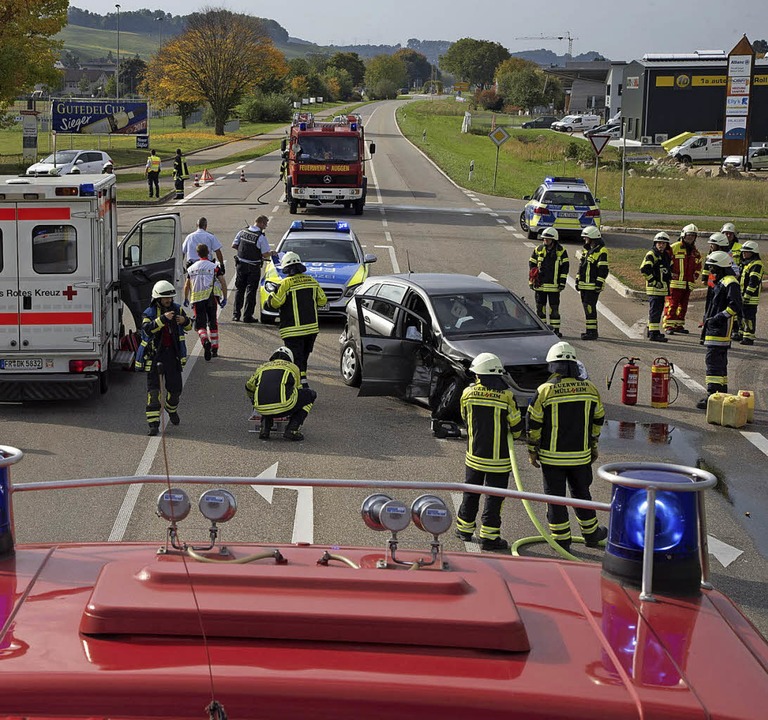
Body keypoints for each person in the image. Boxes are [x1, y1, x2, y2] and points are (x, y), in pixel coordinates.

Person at [527, 341, 607, 551]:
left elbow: (534, 423)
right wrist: (593, 443)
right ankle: (591, 535)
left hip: (552, 457)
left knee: (555, 498)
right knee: (582, 494)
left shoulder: (545, 390)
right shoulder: (590, 388)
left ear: (552, 366)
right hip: (581, 456)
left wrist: (532, 450)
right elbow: (598, 418)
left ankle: (561, 540)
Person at [454, 352, 524, 552]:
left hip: (474, 455)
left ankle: (464, 529)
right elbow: (516, 427)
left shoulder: (468, 393)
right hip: (500, 459)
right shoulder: (507, 396)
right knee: (494, 497)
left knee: (471, 492)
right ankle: (489, 537)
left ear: (479, 375)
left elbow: (465, 417)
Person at [134, 280, 193, 436]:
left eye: (170, 298)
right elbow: (146, 329)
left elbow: (188, 327)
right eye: (165, 298)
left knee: (175, 390)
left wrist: (185, 321)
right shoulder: (149, 312)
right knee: (153, 393)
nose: (169, 300)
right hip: (154, 357)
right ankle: (153, 424)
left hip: (172, 357)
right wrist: (162, 320)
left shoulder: (177, 309)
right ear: (157, 299)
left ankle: (171, 409)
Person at [265, 252, 327, 388]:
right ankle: (302, 381)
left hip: (292, 330)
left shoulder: (285, 283)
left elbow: (275, 303)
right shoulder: (312, 281)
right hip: (311, 328)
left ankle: (300, 386)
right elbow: (322, 301)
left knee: (294, 358)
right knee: (303, 357)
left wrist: (270, 297)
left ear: (286, 268)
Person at [696, 252, 743, 409]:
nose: (711, 271)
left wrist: (719, 318)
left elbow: (735, 306)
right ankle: (720, 394)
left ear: (721, 267)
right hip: (716, 329)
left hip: (720, 331)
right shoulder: (722, 281)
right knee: (719, 364)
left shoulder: (729, 283)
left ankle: (712, 396)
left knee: (713, 363)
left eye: (713, 267)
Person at [245, 346, 317, 441]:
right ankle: (292, 429)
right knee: (309, 395)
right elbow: (298, 388)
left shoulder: (262, 367)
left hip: (261, 408)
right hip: (285, 406)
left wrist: (253, 400)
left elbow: (248, 386)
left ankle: (265, 428)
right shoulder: (293, 367)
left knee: (268, 397)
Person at [183, 244, 227, 361]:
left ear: (197, 254)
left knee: (200, 325)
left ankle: (205, 340)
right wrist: (224, 297)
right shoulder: (214, 267)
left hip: (197, 300)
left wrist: (186, 298)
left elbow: (187, 285)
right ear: (208, 253)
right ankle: (214, 348)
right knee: (213, 323)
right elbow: (223, 282)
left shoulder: (191, 269)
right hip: (211, 299)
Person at [232, 215, 275, 323]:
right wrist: (272, 253)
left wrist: (244, 253)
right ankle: (247, 316)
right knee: (251, 292)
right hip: (253, 267)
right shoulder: (260, 237)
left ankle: (236, 315)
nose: (265, 227)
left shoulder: (242, 231)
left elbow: (234, 245)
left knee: (239, 290)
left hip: (241, 265)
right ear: (260, 223)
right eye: (265, 224)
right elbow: (265, 254)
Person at [529, 227, 569, 337]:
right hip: (540, 286)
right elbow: (532, 266)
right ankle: (543, 329)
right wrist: (532, 280)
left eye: (547, 239)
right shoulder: (538, 250)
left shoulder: (561, 251)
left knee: (554, 310)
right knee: (540, 309)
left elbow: (565, 268)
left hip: (554, 286)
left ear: (553, 239)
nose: (545, 241)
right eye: (544, 239)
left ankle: (555, 330)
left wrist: (562, 282)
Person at [664, 223, 702, 335]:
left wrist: (695, 275)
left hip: (688, 284)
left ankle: (678, 324)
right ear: (683, 235)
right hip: (675, 284)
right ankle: (669, 325)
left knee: (683, 306)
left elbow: (698, 264)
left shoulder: (695, 252)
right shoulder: (674, 247)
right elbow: (666, 261)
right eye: (689, 235)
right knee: (672, 304)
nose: (690, 237)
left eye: (693, 235)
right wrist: (670, 273)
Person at [576, 225, 609, 340]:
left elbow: (603, 269)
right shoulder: (587, 250)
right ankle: (590, 331)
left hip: (592, 286)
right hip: (584, 285)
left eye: (586, 238)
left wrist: (599, 283)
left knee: (590, 308)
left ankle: (592, 332)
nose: (585, 240)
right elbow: (582, 266)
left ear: (592, 238)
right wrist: (577, 278)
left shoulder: (601, 251)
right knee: (587, 308)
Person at [639, 231, 673, 342]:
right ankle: (654, 334)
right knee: (655, 312)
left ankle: (653, 331)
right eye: (659, 243)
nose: (661, 245)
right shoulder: (652, 254)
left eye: (663, 243)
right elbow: (644, 269)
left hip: (661, 289)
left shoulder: (665, 255)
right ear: (655, 243)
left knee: (657, 311)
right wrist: (653, 281)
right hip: (655, 288)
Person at [737, 240, 763, 346]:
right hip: (742, 295)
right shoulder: (745, 263)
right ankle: (742, 333)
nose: (744, 253)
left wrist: (747, 295)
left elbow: (753, 282)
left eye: (746, 252)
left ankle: (749, 337)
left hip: (751, 297)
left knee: (749, 317)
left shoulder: (756, 264)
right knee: (741, 316)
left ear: (753, 253)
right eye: (743, 252)